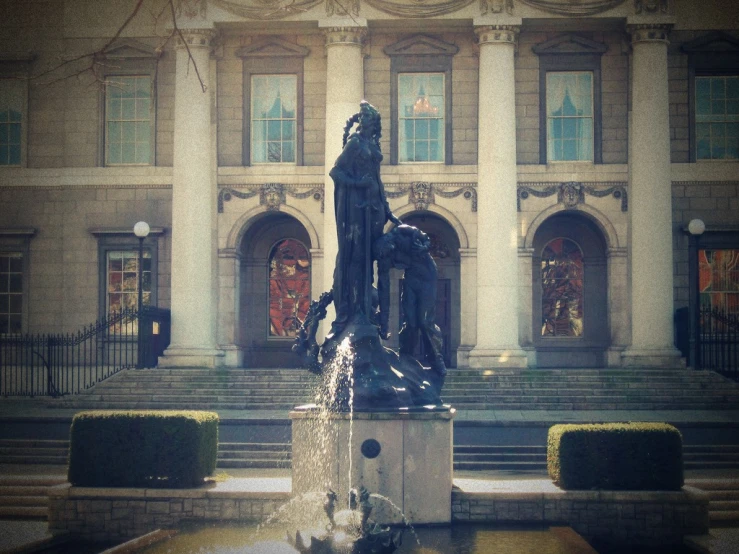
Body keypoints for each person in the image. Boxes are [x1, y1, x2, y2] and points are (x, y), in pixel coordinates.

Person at [326, 101, 401, 342]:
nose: (371, 124)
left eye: (374, 121)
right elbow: (335, 172)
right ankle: (355, 310)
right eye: (369, 120)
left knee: (375, 259)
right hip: (357, 210)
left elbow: (378, 181)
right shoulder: (355, 143)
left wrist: (387, 210)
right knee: (357, 260)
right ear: (363, 122)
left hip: (375, 209)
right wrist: (358, 185)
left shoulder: (371, 144)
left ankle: (370, 314)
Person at [374, 225, 447, 376]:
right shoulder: (384, 259)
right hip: (411, 277)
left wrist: (424, 248)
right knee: (410, 321)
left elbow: (425, 238)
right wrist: (383, 322)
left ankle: (436, 359)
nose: (387, 258)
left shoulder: (402, 231)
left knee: (425, 320)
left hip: (427, 276)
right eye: (383, 257)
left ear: (390, 244)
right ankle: (406, 356)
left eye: (387, 253)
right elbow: (384, 290)